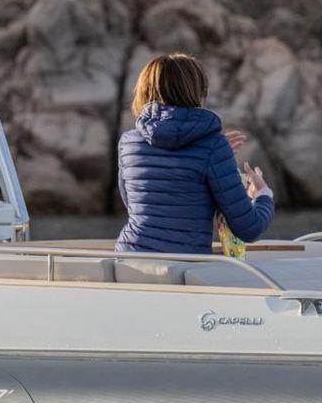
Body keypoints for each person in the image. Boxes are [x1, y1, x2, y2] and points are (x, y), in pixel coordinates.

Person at [117, 53, 274, 254]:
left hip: (129, 258)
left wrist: (210, 153)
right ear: (197, 93)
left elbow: (140, 206)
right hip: (183, 266)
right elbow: (249, 228)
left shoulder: (128, 143)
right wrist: (263, 194)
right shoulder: (213, 147)